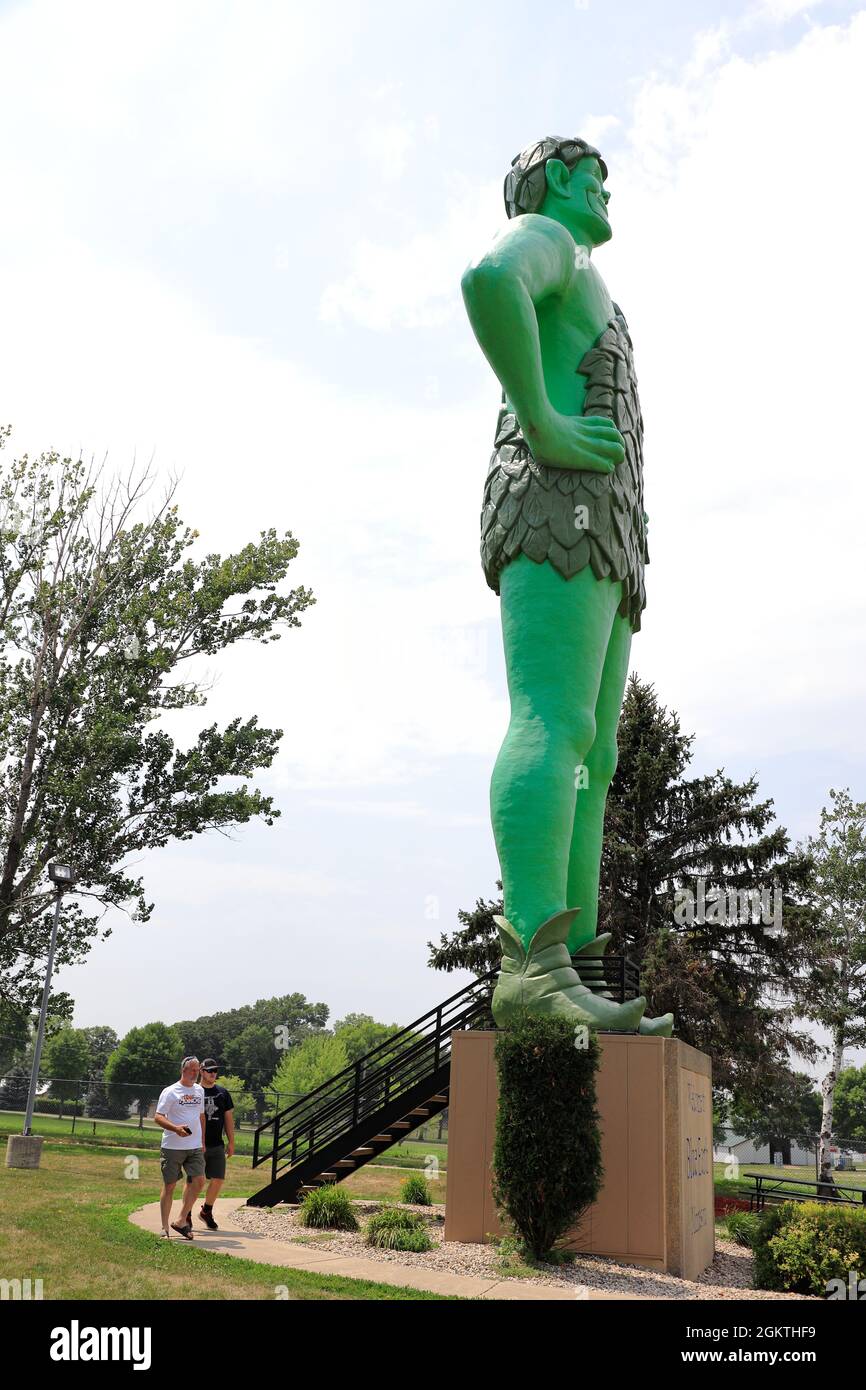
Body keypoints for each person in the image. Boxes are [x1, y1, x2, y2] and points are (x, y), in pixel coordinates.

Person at [461, 135, 672, 1033]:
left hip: (607, 533)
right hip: (553, 507)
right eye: (591, 169)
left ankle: (575, 964)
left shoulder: (586, 273)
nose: (604, 182)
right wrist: (543, 421)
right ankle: (533, 967)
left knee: (595, 751)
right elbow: (485, 280)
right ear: (549, 182)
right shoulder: (546, 235)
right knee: (553, 720)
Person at [154, 1056, 206, 1239]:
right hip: (172, 1146)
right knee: (170, 1186)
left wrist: (203, 1141)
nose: (195, 1073)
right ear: (183, 1070)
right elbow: (158, 1117)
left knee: (199, 1181)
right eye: (192, 1069)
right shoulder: (170, 1091)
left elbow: (201, 1117)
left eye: (197, 1070)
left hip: (194, 1146)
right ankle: (164, 1228)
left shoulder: (199, 1091)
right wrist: (176, 1129)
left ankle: (181, 1220)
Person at [195, 1059, 235, 1230]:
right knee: (195, 1181)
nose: (213, 1073)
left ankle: (206, 1211)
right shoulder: (194, 1091)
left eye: (215, 1070)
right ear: (201, 1072)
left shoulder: (223, 1093)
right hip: (196, 1144)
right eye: (209, 1070)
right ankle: (186, 1215)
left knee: (218, 1179)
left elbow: (228, 1119)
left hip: (217, 1144)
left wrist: (231, 1141)